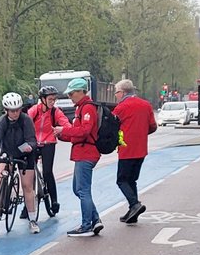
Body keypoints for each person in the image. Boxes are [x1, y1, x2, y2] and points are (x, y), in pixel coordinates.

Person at [0, 92, 40, 234]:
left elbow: (32, 140)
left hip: (25, 154)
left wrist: (30, 147)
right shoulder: (2, 121)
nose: (15, 113)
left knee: (27, 186)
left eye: (17, 110)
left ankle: (32, 219)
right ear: (6, 110)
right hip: (8, 152)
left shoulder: (26, 120)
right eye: (12, 111)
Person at [54, 77, 103, 237]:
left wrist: (64, 131)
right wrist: (62, 135)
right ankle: (95, 220)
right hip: (83, 152)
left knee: (83, 190)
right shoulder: (81, 108)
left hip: (86, 154)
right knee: (78, 188)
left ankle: (86, 225)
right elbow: (78, 134)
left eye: (72, 93)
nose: (70, 96)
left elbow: (84, 131)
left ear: (82, 92)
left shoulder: (87, 108)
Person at [112, 79, 157, 224]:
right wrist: (141, 133)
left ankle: (134, 204)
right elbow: (153, 126)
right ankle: (133, 213)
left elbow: (112, 128)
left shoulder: (121, 108)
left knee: (122, 180)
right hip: (141, 148)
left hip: (126, 148)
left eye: (116, 92)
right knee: (132, 180)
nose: (116, 96)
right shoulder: (146, 105)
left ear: (123, 92)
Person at [28, 85, 69, 218]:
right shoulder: (35, 110)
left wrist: (65, 128)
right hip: (33, 144)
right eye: (50, 99)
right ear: (43, 99)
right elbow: (26, 122)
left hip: (48, 143)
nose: (53, 102)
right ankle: (27, 205)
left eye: (54, 99)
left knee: (47, 172)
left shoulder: (55, 112)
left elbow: (66, 124)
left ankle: (54, 200)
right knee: (29, 174)